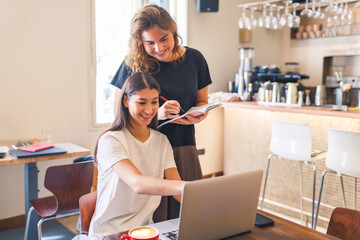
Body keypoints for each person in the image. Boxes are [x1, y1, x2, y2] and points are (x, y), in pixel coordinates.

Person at [111, 4, 212, 221]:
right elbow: (118, 114)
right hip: (144, 149)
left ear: (173, 32)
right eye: (149, 43)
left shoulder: (195, 59)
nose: (158, 47)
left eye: (164, 39)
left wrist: (198, 115)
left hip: (183, 145)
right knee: (151, 216)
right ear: (140, 41)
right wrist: (158, 114)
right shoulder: (132, 63)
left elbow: (202, 101)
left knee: (188, 215)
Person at [88, 72, 186, 237]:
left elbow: (177, 192)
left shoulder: (161, 141)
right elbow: (138, 183)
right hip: (110, 233)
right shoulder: (111, 140)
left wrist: (207, 198)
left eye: (154, 102)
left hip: (145, 231)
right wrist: (187, 186)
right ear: (126, 101)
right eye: (141, 102)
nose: (149, 110)